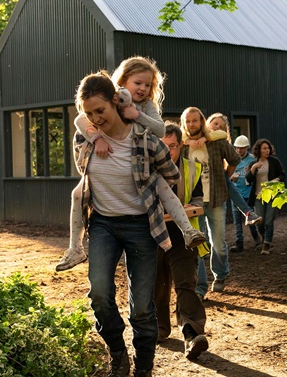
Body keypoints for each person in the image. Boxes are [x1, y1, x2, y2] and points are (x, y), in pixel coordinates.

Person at [56, 56, 205, 271]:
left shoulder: (146, 106)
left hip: (142, 160)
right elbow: (80, 119)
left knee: (163, 187)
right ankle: (75, 247)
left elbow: (160, 130)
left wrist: (137, 115)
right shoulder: (111, 99)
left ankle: (187, 230)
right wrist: (96, 137)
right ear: (123, 80)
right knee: (77, 194)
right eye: (138, 83)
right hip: (109, 167)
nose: (143, 88)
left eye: (148, 85)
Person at [73, 71, 177, 377]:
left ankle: (144, 366)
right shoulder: (86, 138)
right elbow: (83, 171)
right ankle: (118, 352)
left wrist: (158, 190)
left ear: (115, 103)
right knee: (99, 293)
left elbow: (173, 176)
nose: (96, 118)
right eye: (89, 113)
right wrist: (94, 133)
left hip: (142, 227)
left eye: (100, 111)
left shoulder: (144, 139)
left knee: (142, 306)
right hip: (103, 224)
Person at [156, 122, 209, 360]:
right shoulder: (146, 168)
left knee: (186, 282)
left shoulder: (191, 169)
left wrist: (193, 206)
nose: (168, 152)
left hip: (183, 234)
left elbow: (198, 200)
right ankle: (159, 328)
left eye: (173, 146)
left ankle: (191, 333)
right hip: (153, 234)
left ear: (180, 146)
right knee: (157, 284)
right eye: (163, 146)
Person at [180, 107, 240, 297]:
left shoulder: (216, 142)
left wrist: (226, 177)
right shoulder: (182, 145)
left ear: (202, 122)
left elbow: (234, 159)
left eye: (194, 121)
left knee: (218, 243)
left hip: (216, 198)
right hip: (193, 203)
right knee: (197, 244)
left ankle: (220, 275)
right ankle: (200, 286)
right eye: (188, 121)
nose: (191, 125)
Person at [205, 113, 261, 226]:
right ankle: (248, 212)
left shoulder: (220, 140)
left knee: (228, 183)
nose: (216, 127)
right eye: (215, 123)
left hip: (217, 175)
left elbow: (234, 160)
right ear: (208, 122)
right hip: (201, 176)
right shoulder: (198, 136)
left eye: (220, 127)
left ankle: (248, 212)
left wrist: (227, 174)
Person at [246, 138, 286, 255]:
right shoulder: (253, 163)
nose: (267, 150)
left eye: (268, 148)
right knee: (260, 221)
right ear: (259, 150)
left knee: (269, 221)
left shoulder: (274, 161)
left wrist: (276, 179)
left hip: (272, 195)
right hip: (258, 196)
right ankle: (264, 237)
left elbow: (282, 175)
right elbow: (248, 179)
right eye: (264, 148)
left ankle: (267, 244)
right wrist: (253, 168)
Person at [227, 135, 262, 252]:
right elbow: (228, 174)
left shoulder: (252, 160)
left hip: (248, 194)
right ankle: (239, 242)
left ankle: (256, 237)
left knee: (251, 219)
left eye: (242, 148)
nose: (239, 150)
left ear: (247, 147)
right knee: (237, 221)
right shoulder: (232, 160)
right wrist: (232, 178)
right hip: (236, 194)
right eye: (237, 148)